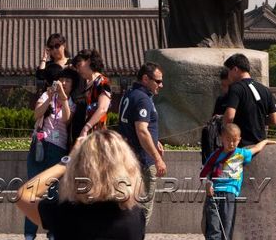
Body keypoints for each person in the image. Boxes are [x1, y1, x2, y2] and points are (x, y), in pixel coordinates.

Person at [16, 129, 145, 240]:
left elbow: (23, 195)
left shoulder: (65, 213)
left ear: (80, 167)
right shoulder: (136, 217)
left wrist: (66, 162)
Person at [24, 66, 78, 240]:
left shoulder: (71, 103)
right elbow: (36, 114)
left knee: (54, 193)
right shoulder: (46, 96)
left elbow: (66, 120)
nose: (64, 83)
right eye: (62, 79)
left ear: (72, 85)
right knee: (32, 192)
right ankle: (29, 234)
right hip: (39, 145)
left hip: (58, 149)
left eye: (68, 81)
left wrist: (62, 98)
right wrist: (50, 97)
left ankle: (53, 233)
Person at [200, 122, 276, 240]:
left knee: (227, 225)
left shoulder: (241, 154)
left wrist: (265, 141)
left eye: (234, 140)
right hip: (213, 194)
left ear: (239, 140)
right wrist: (207, 184)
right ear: (221, 139)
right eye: (228, 140)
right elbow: (203, 173)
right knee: (213, 226)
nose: (231, 143)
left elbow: (256, 148)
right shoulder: (215, 155)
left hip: (229, 194)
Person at [118, 62, 166, 224]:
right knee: (143, 207)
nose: (161, 85)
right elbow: (142, 130)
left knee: (126, 204)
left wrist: (154, 141)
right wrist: (157, 158)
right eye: (158, 81)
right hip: (142, 160)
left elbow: (134, 126)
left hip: (127, 157)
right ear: (146, 79)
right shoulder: (143, 99)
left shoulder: (129, 93)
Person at [223, 53, 276, 147]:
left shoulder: (235, 88)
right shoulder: (265, 90)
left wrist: (223, 131)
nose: (228, 75)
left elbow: (229, 117)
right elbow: (275, 120)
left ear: (235, 69)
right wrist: (258, 120)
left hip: (243, 146)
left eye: (229, 71)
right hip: (261, 145)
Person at [73, 49, 111, 138]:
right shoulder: (87, 85)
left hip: (96, 134)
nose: (78, 70)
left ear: (89, 61)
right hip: (84, 134)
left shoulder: (102, 81)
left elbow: (103, 108)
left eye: (79, 65)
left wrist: (86, 127)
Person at [201, 68, 230, 163]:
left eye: (226, 86)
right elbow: (214, 118)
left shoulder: (239, 97)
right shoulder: (221, 99)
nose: (223, 88)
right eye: (223, 85)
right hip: (220, 140)